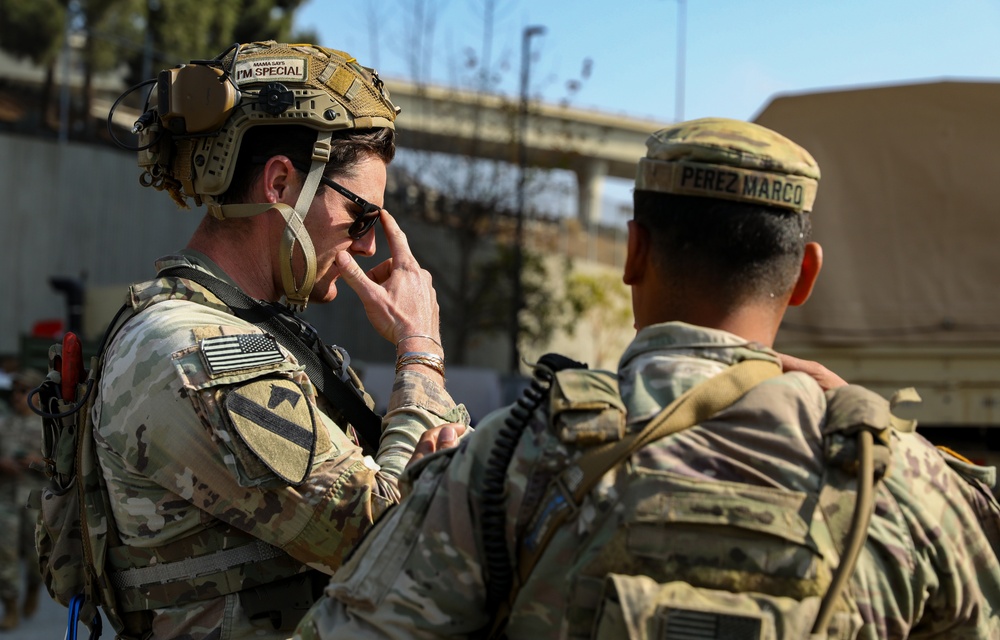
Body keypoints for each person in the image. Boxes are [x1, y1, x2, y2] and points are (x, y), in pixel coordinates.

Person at [293, 118, 1000, 639]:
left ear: (633, 252)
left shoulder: (511, 459)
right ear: (805, 275)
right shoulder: (897, 482)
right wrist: (877, 433)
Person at [80, 41, 467, 639]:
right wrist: (421, 353)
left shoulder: (260, 337)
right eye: (362, 216)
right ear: (282, 184)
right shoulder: (199, 353)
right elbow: (389, 544)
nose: (370, 246)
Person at [0, 369, 45, 630]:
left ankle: (32, 589)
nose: (17, 396)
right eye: (14, 390)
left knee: (35, 558)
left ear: (36, 395)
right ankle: (11, 606)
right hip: (5, 500)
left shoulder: (47, 426)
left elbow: (61, 468)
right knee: (4, 555)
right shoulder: (3, 424)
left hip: (34, 501)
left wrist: (36, 464)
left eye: (23, 390)